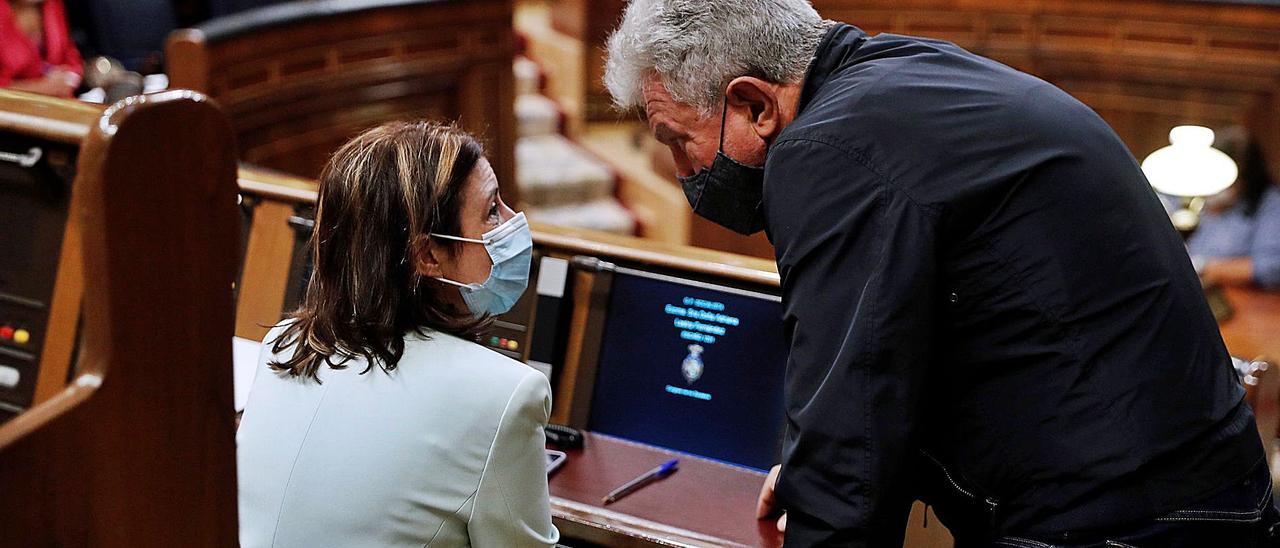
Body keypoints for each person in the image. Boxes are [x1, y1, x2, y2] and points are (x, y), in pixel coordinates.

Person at [604, 1, 1279, 546]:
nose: (682, 171)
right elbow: (897, 360)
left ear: (754, 103)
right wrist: (810, 475)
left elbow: (852, 409)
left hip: (1126, 515)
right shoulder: (898, 73)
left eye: (676, 141)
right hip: (1183, 485)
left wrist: (822, 497)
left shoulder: (827, 149)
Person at [236, 122, 559, 548]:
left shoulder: (286, 342)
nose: (515, 221)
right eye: (492, 211)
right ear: (428, 255)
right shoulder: (505, 395)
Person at [1185, 128, 1280, 290]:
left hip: (1248, 302)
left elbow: (1271, 268)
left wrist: (1201, 266)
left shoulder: (1270, 204)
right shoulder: (1193, 193)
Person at [0, 0, 82, 97]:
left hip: (55, 103)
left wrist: (69, 78)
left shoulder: (52, 5)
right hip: (10, 107)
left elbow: (70, 56)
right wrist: (42, 87)